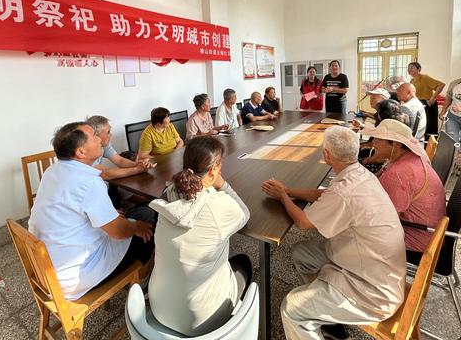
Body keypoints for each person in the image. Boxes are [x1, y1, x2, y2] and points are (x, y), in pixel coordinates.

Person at [261, 126, 406, 340]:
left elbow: (303, 222)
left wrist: (282, 196)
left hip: (372, 292)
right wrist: (288, 190)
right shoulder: (360, 174)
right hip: (376, 269)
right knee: (302, 253)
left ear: (326, 155)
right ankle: (325, 315)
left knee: (292, 308)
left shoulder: (344, 191)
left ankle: (313, 312)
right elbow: (323, 194)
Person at [28, 122, 154, 300]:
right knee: (146, 224)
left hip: (48, 268)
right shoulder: (88, 182)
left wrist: (111, 216)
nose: (99, 139)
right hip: (75, 276)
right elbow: (119, 232)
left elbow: (74, 209)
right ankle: (143, 287)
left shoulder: (53, 170)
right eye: (94, 136)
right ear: (80, 152)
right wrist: (137, 227)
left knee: (135, 217)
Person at [148, 137, 251, 336]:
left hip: (158, 305)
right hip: (201, 319)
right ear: (214, 170)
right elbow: (244, 214)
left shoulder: (166, 194)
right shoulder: (219, 206)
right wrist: (222, 183)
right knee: (243, 263)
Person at [363, 119, 446, 256]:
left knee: (346, 231)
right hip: (431, 234)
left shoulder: (398, 173)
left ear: (395, 144)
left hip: (419, 242)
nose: (374, 143)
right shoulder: (410, 157)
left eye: (378, 139)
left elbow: (385, 221)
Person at [86, 115, 153, 180]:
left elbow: (120, 160)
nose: (111, 134)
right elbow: (104, 174)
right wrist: (137, 169)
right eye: (108, 132)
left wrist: (138, 164)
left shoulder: (104, 144)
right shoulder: (85, 150)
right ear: (96, 135)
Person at [408, 62, 445, 138]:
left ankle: (430, 146)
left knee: (430, 127)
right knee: (420, 126)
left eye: (412, 67)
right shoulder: (411, 81)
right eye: (408, 68)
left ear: (419, 69)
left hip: (428, 104)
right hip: (418, 104)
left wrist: (433, 97)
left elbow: (441, 85)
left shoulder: (424, 78)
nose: (409, 69)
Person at [439, 77, 461, 142]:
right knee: (452, 141)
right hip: (452, 117)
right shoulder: (454, 83)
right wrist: (443, 111)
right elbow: (448, 97)